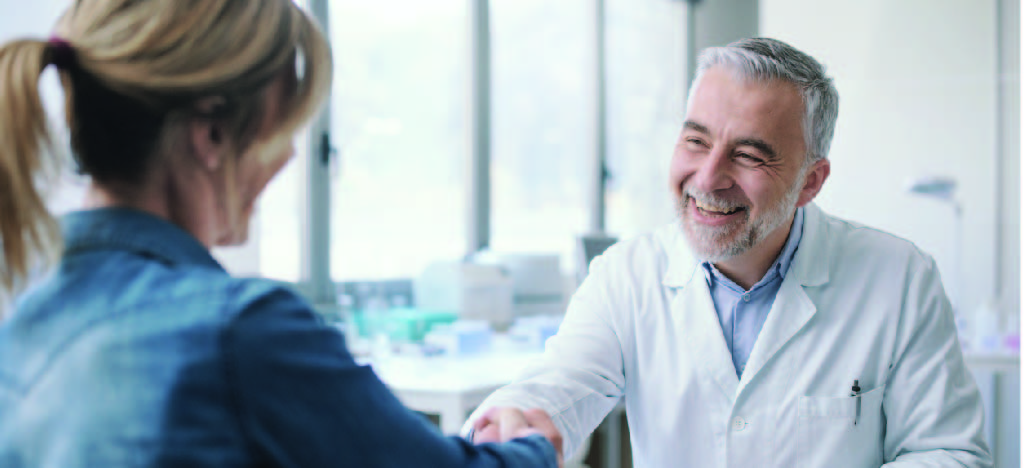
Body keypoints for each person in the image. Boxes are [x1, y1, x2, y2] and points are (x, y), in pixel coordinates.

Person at [0, 1, 562, 467]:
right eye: (282, 126)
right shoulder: (236, 332)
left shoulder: (25, 307)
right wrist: (533, 448)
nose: (291, 154)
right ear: (213, 134)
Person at [464, 37, 993, 467]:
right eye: (696, 141)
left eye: (747, 155)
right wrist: (515, 417)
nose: (709, 178)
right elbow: (561, 384)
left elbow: (948, 452)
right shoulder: (627, 277)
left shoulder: (899, 277)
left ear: (811, 182)